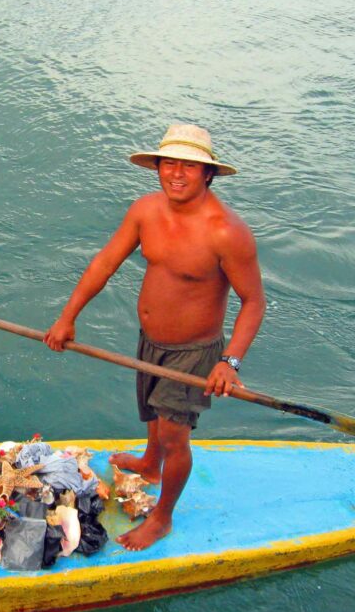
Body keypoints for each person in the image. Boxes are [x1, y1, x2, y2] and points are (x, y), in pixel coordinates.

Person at [44, 123, 265, 550]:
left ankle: (162, 517)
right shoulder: (146, 211)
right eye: (169, 163)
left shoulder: (226, 232)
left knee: (174, 436)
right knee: (151, 414)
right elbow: (105, 263)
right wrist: (68, 317)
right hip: (150, 340)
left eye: (189, 166)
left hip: (194, 353)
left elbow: (254, 302)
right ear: (157, 167)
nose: (176, 173)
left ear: (208, 174)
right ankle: (149, 465)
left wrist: (229, 362)